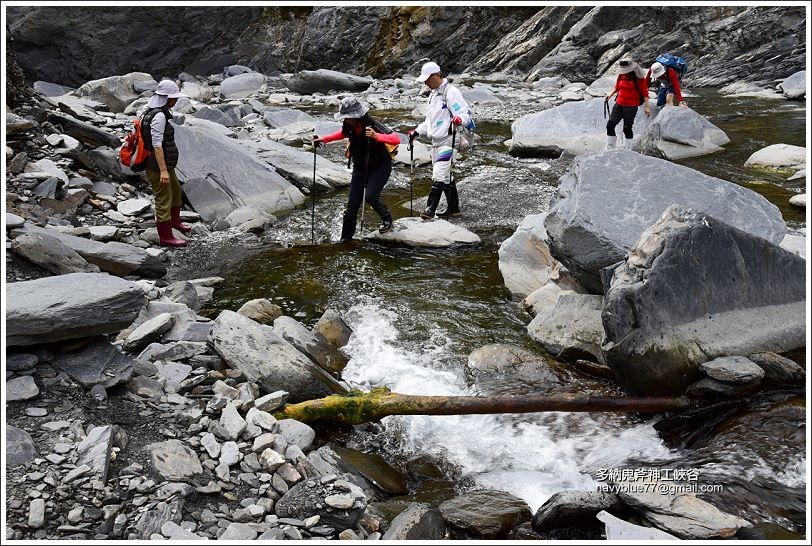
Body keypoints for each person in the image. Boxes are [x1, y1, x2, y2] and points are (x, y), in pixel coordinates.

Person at [313, 96, 398, 243]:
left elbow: (395, 139)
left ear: (356, 115)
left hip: (380, 166)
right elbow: (342, 134)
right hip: (360, 168)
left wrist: (377, 136)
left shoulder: (372, 124)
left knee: (371, 196)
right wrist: (323, 139)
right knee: (352, 205)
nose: (345, 120)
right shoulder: (349, 126)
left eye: (347, 117)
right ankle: (346, 239)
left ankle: (387, 219)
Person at [408, 61, 472, 219]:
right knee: (446, 176)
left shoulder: (451, 92)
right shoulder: (433, 95)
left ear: (437, 75)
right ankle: (454, 209)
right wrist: (416, 132)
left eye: (428, 79)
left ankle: (429, 210)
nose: (426, 83)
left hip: (450, 140)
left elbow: (465, 113)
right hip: (436, 142)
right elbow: (429, 122)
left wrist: (459, 119)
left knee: (439, 174)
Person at [141, 79, 191, 247]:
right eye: (174, 98)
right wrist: (162, 170)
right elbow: (157, 145)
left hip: (165, 163)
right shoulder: (159, 116)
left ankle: (175, 223)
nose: (176, 101)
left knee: (175, 189)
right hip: (157, 164)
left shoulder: (152, 110)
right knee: (163, 198)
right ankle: (166, 237)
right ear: (165, 98)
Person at [604, 59, 650, 149]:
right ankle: (609, 149)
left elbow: (645, 93)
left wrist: (647, 107)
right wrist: (610, 94)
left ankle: (629, 151)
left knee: (627, 128)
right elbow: (617, 86)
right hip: (619, 104)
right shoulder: (621, 75)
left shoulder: (638, 78)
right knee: (610, 125)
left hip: (631, 106)